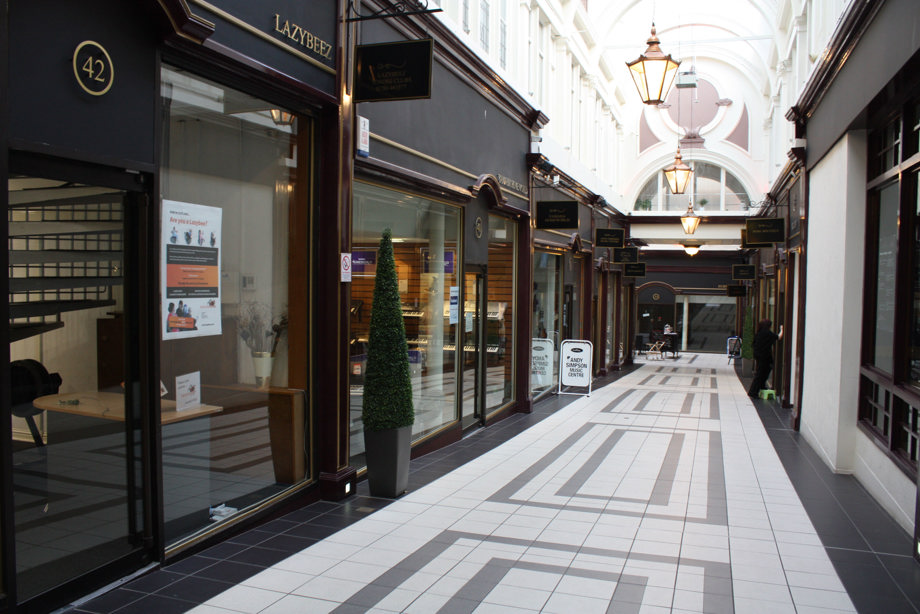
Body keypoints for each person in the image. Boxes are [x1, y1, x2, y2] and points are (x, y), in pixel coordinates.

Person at [748, 319, 783, 398]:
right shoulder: (767, 333)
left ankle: (761, 387)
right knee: (761, 374)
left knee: (761, 373)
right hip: (765, 357)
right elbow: (779, 337)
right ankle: (753, 391)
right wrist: (782, 329)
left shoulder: (759, 333)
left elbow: (753, 344)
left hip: (758, 356)